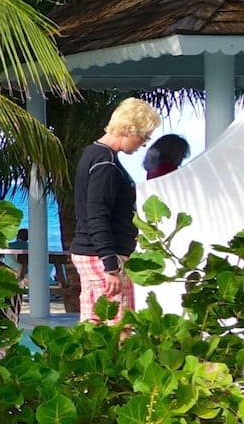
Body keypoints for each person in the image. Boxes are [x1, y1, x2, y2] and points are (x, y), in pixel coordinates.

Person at [71, 97, 160, 326]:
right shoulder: (105, 163)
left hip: (93, 252)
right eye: (144, 136)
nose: (143, 143)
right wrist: (110, 265)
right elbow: (97, 214)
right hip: (101, 256)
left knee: (93, 324)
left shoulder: (94, 155)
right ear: (129, 130)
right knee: (119, 328)